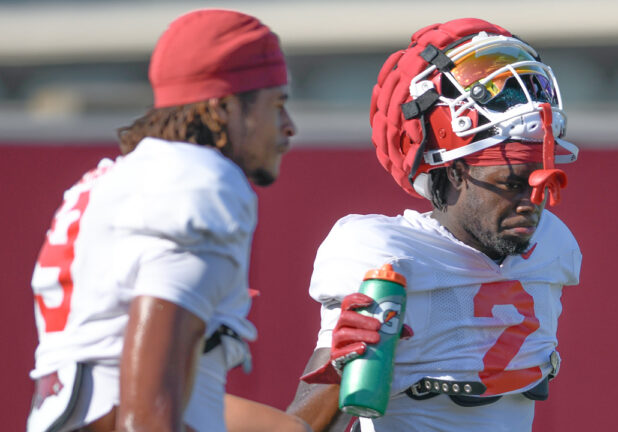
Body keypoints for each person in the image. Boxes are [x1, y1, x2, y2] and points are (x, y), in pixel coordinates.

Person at [287, 18, 582, 432]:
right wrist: (342, 369)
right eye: (513, 183)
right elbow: (302, 427)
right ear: (457, 172)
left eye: (542, 181)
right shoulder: (385, 257)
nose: (533, 203)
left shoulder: (551, 245)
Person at [27, 9, 309, 432]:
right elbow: (145, 413)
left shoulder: (113, 179)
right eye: (277, 104)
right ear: (225, 107)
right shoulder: (200, 182)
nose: (288, 127)